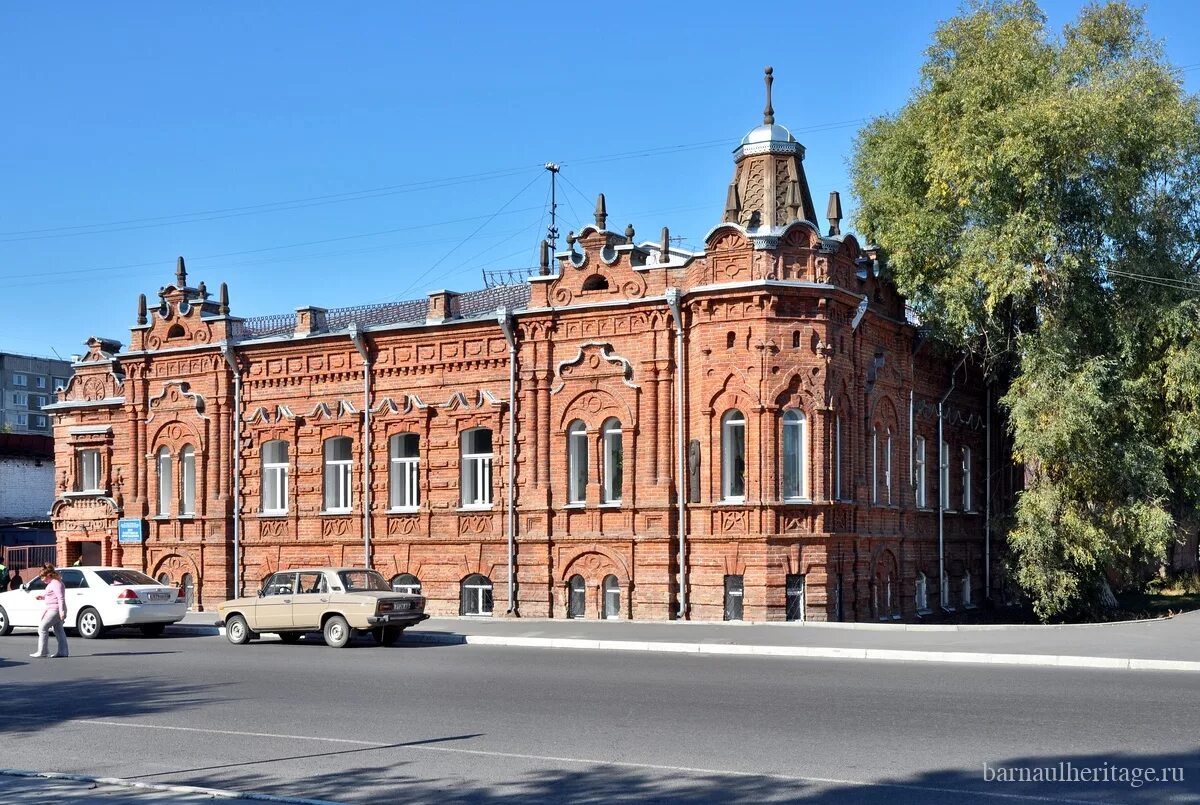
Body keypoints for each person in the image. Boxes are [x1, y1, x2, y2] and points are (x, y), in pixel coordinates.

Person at [30, 563, 68, 659]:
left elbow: (60, 598)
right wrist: (43, 597)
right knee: (59, 630)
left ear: (48, 575)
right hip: (55, 609)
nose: (42, 580)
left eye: (42, 577)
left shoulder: (55, 583)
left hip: (54, 610)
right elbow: (53, 596)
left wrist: (62, 611)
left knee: (42, 628)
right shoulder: (54, 583)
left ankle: (43, 651)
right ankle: (63, 652)